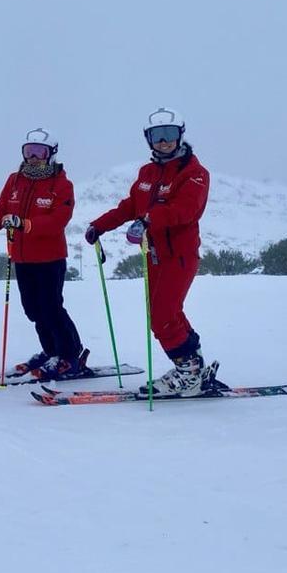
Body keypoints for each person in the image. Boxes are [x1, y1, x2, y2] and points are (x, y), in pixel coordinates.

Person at [84, 108, 212, 396]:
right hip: (153, 255)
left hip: (179, 256)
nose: (164, 141)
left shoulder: (195, 173)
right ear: (148, 139)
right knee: (166, 314)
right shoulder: (148, 172)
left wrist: (149, 219)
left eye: (170, 134)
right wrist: (100, 225)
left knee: (163, 317)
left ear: (180, 135)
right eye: (157, 136)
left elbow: (185, 210)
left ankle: (189, 373)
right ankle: (193, 367)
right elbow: (131, 205)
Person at [0, 128, 88, 380]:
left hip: (50, 258)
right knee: (32, 309)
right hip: (22, 257)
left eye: (40, 151)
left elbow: (59, 219)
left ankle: (70, 356)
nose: (33, 157)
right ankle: (51, 351)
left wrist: (25, 224)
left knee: (51, 308)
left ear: (51, 154)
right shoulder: (15, 179)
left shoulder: (61, 184)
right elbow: (2, 207)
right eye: (29, 151)